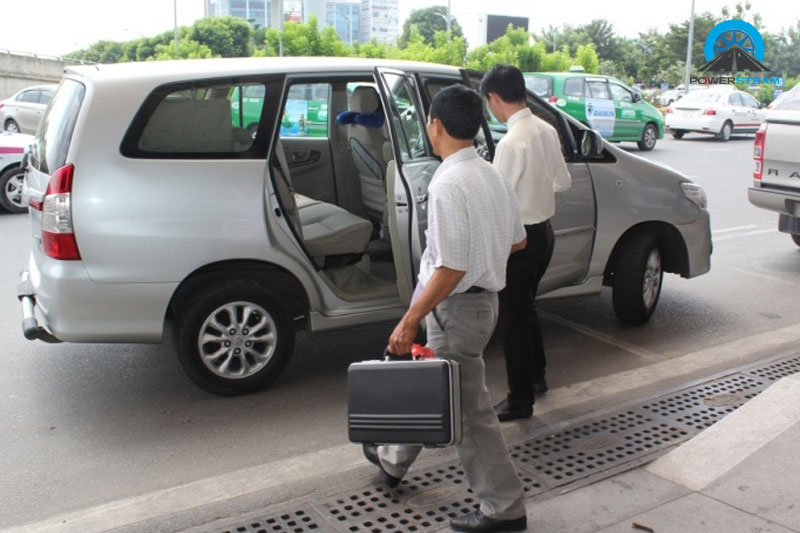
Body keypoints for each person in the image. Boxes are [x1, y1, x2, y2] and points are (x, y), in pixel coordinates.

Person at [362, 84, 529, 533]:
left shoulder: (448, 182)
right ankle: (392, 460)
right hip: (482, 304)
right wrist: (484, 255)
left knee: (470, 416)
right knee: (440, 391)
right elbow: (518, 241)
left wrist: (410, 318)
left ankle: (504, 509)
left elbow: (451, 267)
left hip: (456, 311)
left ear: (435, 125)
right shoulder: (490, 172)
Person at [481, 64, 572, 423]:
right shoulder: (546, 129)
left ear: (494, 97)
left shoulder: (511, 143)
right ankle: (537, 377)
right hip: (544, 235)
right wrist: (535, 188)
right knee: (526, 308)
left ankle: (520, 401)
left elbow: (497, 201)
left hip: (519, 242)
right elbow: (563, 182)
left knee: (513, 321)